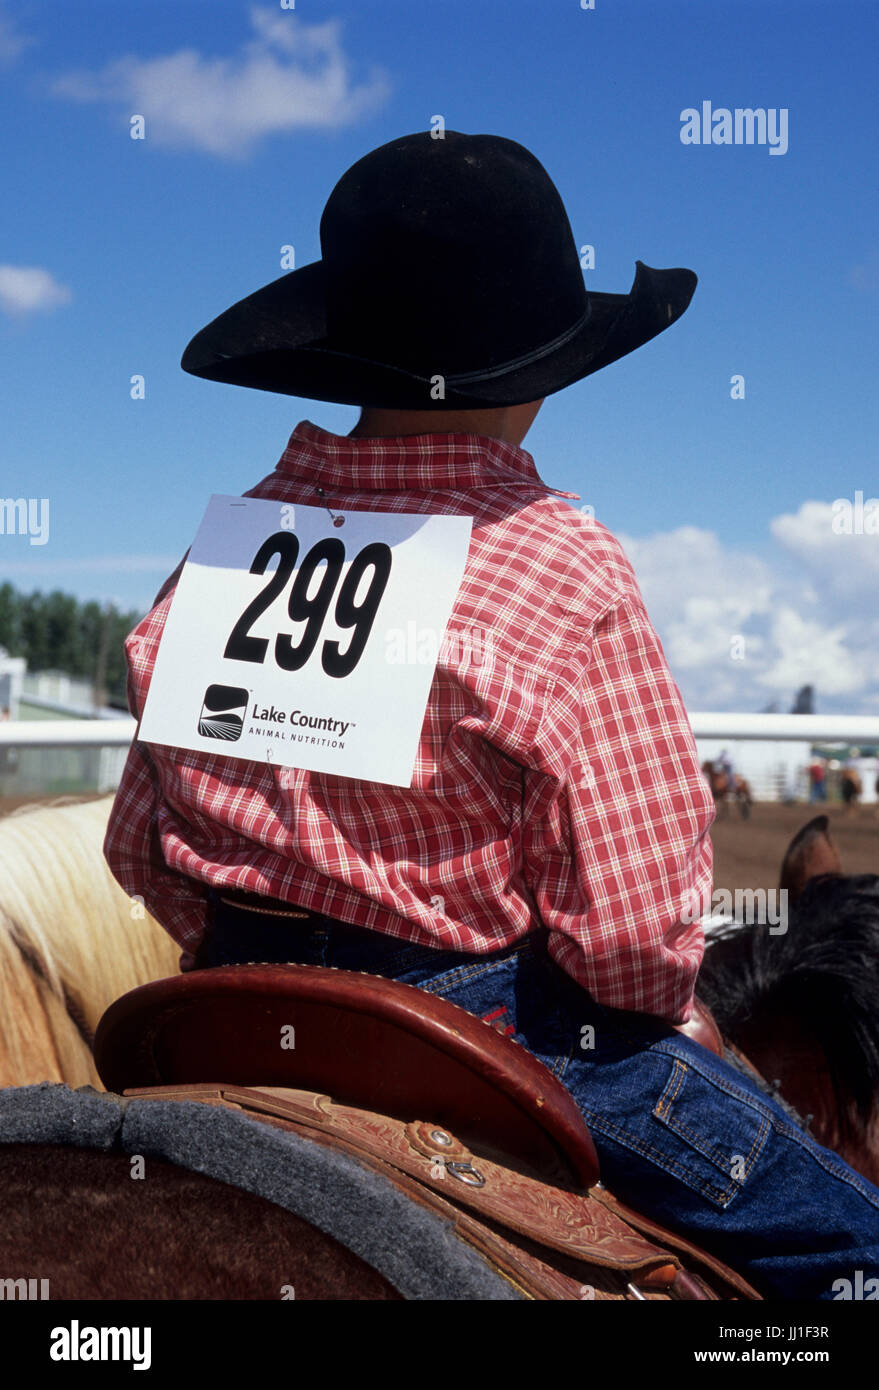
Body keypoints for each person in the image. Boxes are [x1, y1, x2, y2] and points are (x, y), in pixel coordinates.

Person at [104, 130, 879, 1299]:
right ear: (543, 372)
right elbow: (628, 944)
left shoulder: (220, 557)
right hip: (486, 1032)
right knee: (849, 1243)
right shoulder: (568, 570)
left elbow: (140, 855)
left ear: (346, 355)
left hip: (223, 1001)